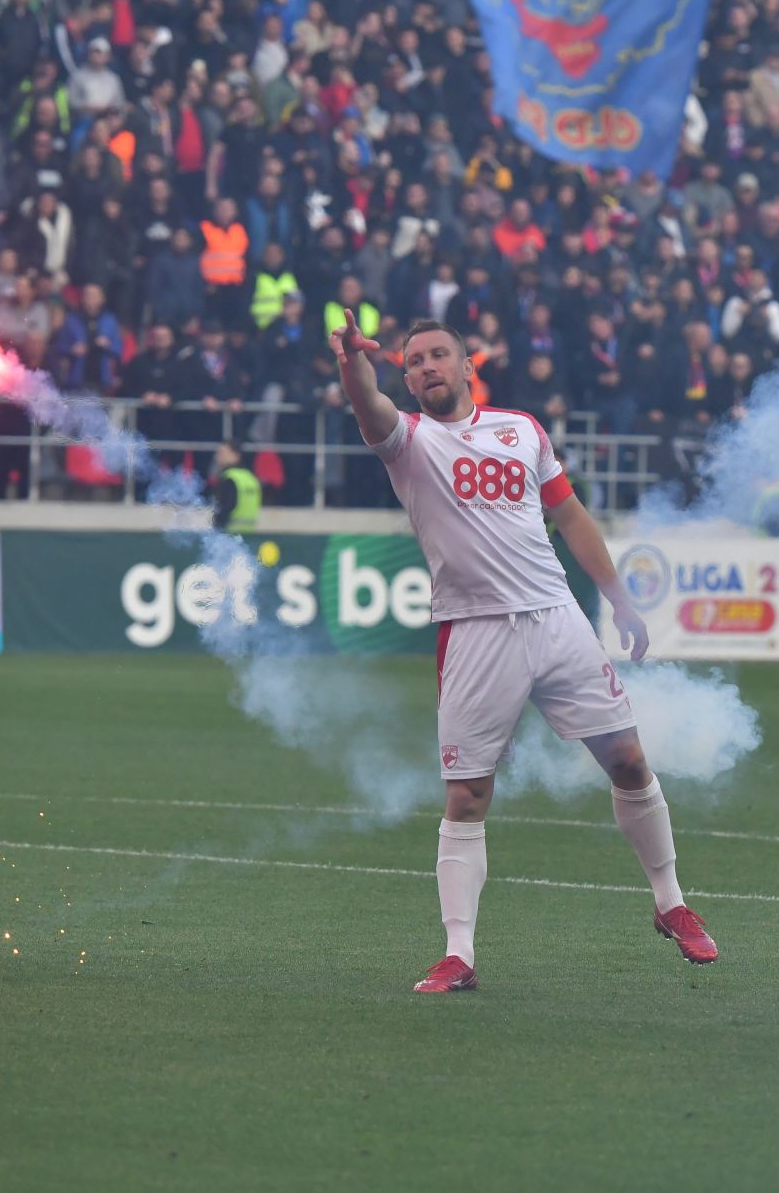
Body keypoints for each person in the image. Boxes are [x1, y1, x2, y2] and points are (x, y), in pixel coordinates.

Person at [328, 310, 718, 993]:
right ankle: (459, 954)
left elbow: (569, 516)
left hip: (557, 621)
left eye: (437, 355)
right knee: (469, 794)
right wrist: (352, 362)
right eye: (413, 361)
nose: (426, 368)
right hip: (475, 632)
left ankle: (671, 903)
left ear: (467, 363)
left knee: (628, 760)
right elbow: (369, 405)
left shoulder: (523, 430)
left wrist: (619, 599)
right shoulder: (409, 442)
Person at [210, 439, 262, 532]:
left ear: (235, 455)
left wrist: (216, 528)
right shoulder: (251, 478)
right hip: (250, 534)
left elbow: (225, 509)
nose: (217, 457)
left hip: (231, 537)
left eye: (222, 453)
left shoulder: (229, 478)